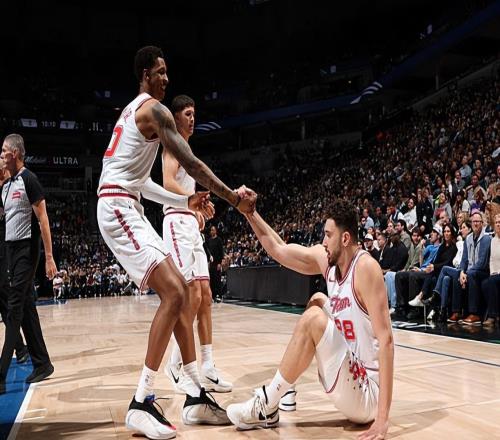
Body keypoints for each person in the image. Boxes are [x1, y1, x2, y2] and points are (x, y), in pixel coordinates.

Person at [96, 46, 256, 439]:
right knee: (174, 293)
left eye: (167, 72)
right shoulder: (154, 110)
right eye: (160, 72)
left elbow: (142, 183)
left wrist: (185, 201)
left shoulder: (135, 113)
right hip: (117, 206)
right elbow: (192, 165)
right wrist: (232, 198)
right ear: (145, 75)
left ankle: (194, 395)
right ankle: (141, 401)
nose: (166, 78)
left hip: (126, 202)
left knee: (182, 292)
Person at [227, 200, 393, 440]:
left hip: (367, 392)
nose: (323, 242)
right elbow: (279, 249)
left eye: (328, 235)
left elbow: (386, 341)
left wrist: (382, 419)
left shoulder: (366, 268)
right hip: (350, 366)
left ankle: (267, 404)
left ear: (345, 239)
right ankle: (286, 389)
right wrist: (250, 213)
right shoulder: (330, 262)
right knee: (317, 300)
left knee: (314, 319)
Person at [161, 95, 232, 394]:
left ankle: (208, 367)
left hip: (189, 223)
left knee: (206, 296)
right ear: (176, 117)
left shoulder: (187, 149)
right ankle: (175, 364)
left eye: (194, 113)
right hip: (176, 223)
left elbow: (185, 192)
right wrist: (192, 202)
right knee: (190, 295)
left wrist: (198, 210)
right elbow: (167, 182)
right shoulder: (172, 145)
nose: (193, 119)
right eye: (187, 114)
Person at [0, 134, 57, 395]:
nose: (1, 155)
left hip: (27, 250)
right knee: (25, 308)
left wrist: (49, 257)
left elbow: (43, 220)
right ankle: (42, 363)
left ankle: (1, 374)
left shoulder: (29, 179)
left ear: (15, 153)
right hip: (10, 251)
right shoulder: (6, 186)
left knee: (13, 310)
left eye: (4, 151)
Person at [0, 158, 29, 368]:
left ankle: (20, 348)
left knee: (5, 298)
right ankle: (20, 348)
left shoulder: (9, 188)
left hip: (5, 249)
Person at [207, 226, 224, 301]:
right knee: (212, 280)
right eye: (211, 230)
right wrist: (208, 262)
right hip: (211, 263)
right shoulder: (209, 240)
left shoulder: (219, 240)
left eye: (213, 230)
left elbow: (221, 252)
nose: (212, 231)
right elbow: (209, 252)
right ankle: (213, 296)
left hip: (217, 263)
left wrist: (220, 263)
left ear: (216, 231)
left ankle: (219, 295)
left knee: (218, 279)